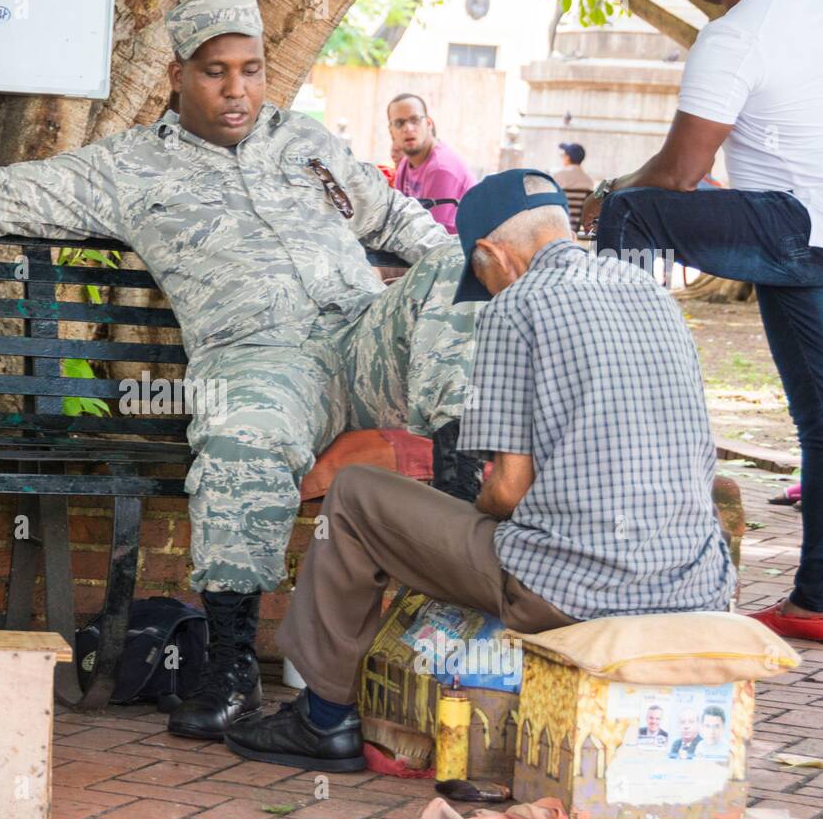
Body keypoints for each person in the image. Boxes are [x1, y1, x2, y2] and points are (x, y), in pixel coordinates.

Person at [0, 0, 483, 741]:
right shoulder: (130, 168)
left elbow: (394, 219)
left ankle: (466, 498)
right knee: (239, 435)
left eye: (252, 70)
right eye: (216, 71)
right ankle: (228, 670)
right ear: (178, 76)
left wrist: (457, 275)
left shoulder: (307, 142)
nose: (237, 90)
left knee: (462, 263)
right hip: (262, 362)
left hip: (365, 337)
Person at [223, 171, 736, 772]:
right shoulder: (649, 293)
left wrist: (487, 505)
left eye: (481, 276)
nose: (485, 291)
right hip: (694, 580)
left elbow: (509, 490)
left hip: (573, 589)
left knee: (358, 495)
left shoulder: (517, 305)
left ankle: (325, 718)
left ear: (492, 254)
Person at [581, 0, 823, 642]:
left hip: (792, 228)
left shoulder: (736, 29)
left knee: (633, 209)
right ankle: (814, 600)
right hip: (809, 233)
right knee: (819, 423)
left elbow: (681, 173)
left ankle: (615, 406)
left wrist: (613, 192)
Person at [387, 93, 476, 233]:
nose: (408, 128)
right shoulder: (405, 164)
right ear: (391, 132)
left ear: (428, 124)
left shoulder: (441, 169)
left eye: (414, 120)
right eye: (399, 123)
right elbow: (397, 217)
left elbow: (433, 238)